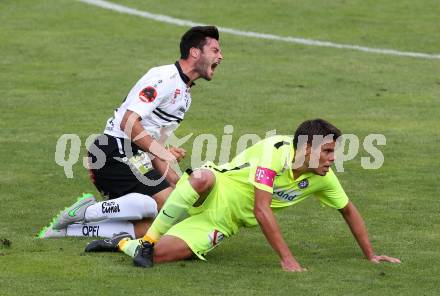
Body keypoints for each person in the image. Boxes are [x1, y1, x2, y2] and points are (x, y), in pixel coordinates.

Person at [86, 119, 401, 271]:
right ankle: (146, 239)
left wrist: (370, 254)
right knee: (200, 177)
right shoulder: (276, 152)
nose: (333, 159)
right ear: (307, 149)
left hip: (225, 222)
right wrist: (288, 259)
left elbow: (349, 210)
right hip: (216, 189)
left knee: (161, 258)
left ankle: (123, 243)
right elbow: (262, 208)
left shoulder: (323, 179)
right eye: (328, 151)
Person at [37, 26, 223, 239]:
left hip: (135, 155)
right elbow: (128, 122)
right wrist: (163, 154)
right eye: (215, 50)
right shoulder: (164, 78)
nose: (221, 56)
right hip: (114, 152)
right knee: (165, 205)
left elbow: (153, 147)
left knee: (160, 225)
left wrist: (175, 179)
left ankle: (69, 230)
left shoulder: (185, 97)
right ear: (195, 52)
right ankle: (88, 212)